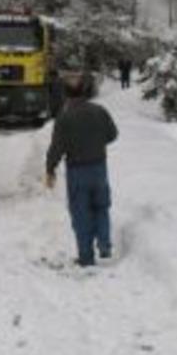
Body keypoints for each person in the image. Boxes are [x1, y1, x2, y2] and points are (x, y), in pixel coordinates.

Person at [45, 75, 118, 267]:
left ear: (66, 96)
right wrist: (97, 142)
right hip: (99, 168)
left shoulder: (64, 117)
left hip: (77, 171)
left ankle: (86, 257)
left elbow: (56, 147)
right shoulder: (99, 111)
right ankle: (104, 245)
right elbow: (113, 134)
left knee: (81, 213)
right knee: (101, 207)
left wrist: (50, 169)